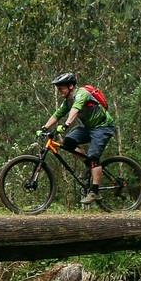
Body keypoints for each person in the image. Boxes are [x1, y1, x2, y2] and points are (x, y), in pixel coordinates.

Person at [38, 72, 115, 205]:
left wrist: (66, 125)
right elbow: (57, 115)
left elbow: (75, 110)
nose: (59, 91)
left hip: (103, 127)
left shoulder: (82, 94)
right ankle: (88, 166)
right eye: (58, 89)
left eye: (61, 88)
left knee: (93, 156)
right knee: (68, 142)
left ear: (71, 86)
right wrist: (44, 128)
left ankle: (94, 192)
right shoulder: (67, 100)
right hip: (88, 128)